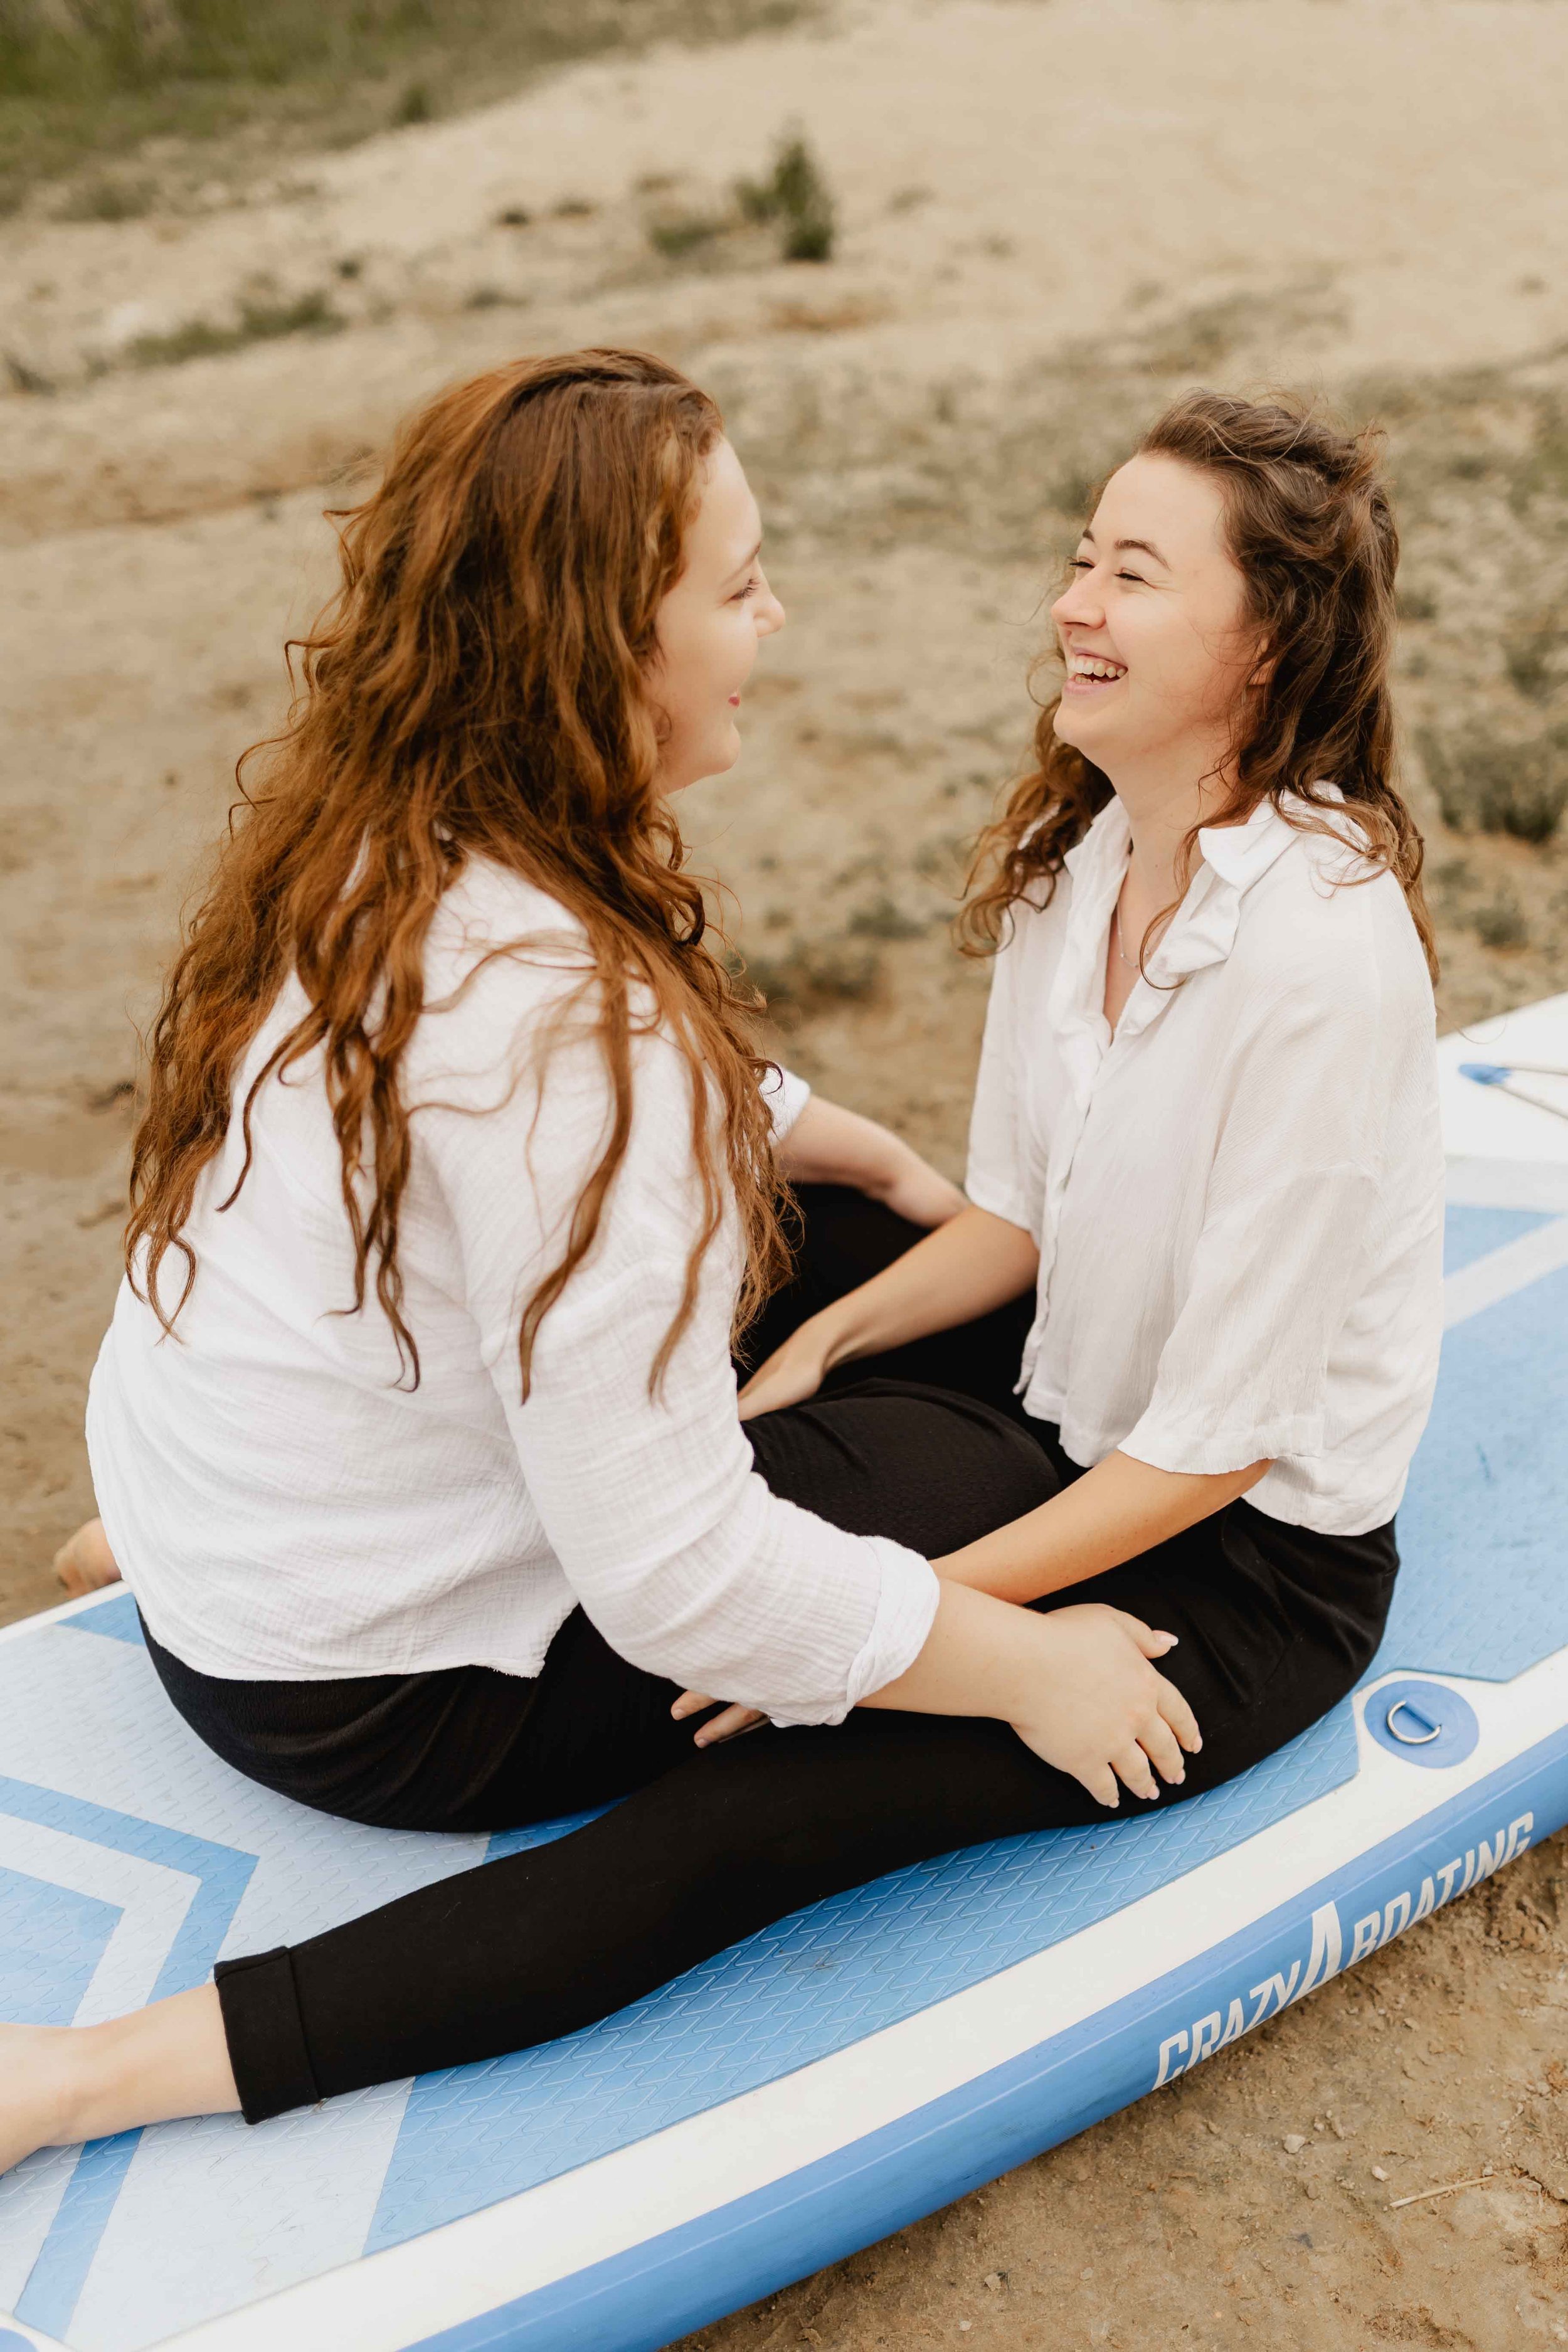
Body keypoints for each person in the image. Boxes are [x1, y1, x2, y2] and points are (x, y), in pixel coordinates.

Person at [0, 369, 1440, 2176]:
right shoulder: (1068, 870)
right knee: (869, 1418)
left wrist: (894, 1627)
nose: (1072, 601)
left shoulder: (1310, 960)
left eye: (1130, 573)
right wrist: (931, 1582)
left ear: (1268, 642)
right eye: (1085, 555)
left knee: (769, 1787)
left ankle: (83, 2073)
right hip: (1000, 1431)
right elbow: (967, 1253)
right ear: (607, 636)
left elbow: (1216, 1436)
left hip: (1243, 1543)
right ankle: (97, 2015)